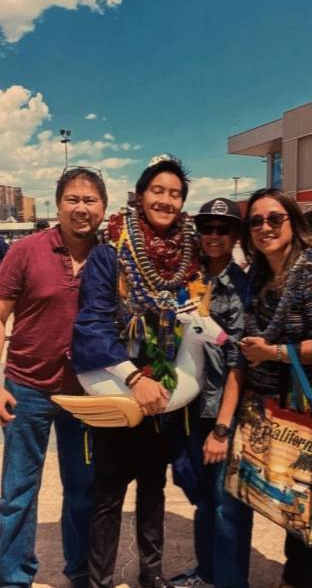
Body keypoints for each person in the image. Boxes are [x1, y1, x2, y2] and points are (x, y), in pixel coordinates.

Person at [71, 155, 201, 588]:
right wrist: (133, 377)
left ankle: (152, 574)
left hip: (167, 392)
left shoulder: (188, 257)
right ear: (141, 195)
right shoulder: (111, 254)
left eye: (175, 194)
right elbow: (91, 323)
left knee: (153, 486)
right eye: (158, 191)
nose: (166, 200)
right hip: (118, 385)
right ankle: (99, 580)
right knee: (108, 493)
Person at [225, 188, 312, 588]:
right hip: (268, 405)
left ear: (293, 223)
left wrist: (273, 352)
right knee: (286, 498)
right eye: (256, 221)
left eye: (274, 219)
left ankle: (309, 580)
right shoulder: (261, 273)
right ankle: (294, 576)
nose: (265, 228)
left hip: (306, 405)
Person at [0, 166, 107, 588]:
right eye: (73, 199)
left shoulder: (110, 257)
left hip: (85, 396)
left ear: (103, 207)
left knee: (83, 491)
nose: (81, 208)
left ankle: (79, 572)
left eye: (90, 200)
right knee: (18, 493)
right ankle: (12, 577)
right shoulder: (26, 251)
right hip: (26, 389)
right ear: (59, 203)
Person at [171, 198, 253, 588]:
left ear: (236, 235)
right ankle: (206, 574)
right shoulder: (187, 280)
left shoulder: (242, 287)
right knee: (202, 496)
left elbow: (239, 361)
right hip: (189, 405)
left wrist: (223, 428)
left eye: (223, 229)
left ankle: (229, 580)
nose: (214, 236)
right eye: (207, 228)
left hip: (223, 409)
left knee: (227, 504)